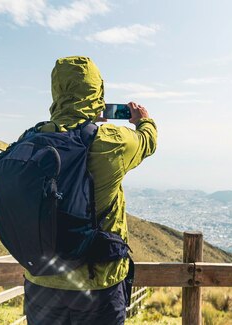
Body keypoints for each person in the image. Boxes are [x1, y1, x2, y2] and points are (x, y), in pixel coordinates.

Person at [23, 56, 157, 324]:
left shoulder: (30, 140)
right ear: (98, 93)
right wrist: (144, 120)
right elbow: (147, 142)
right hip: (98, 283)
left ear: (57, 91)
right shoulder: (111, 142)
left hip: (41, 281)